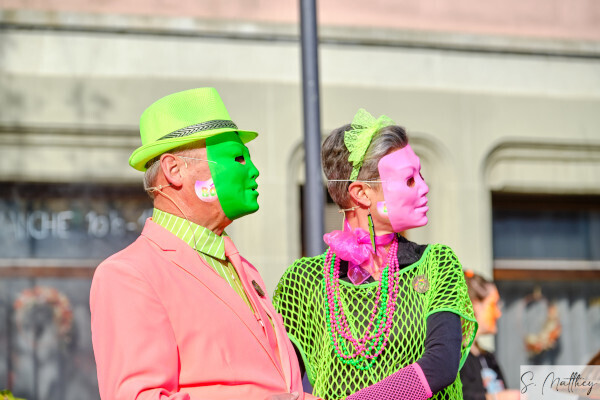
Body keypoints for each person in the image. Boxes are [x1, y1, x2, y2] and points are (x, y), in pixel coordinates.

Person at [90, 88, 318, 400]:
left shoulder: (242, 267)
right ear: (174, 170)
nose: (253, 171)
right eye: (238, 157)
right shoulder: (129, 274)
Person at [273, 109, 478, 400]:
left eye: (420, 175)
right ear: (361, 193)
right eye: (409, 180)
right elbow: (277, 377)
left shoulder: (437, 263)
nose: (424, 187)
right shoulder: (304, 280)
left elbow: (440, 365)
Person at [460, 270, 519, 400]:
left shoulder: (488, 358)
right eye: (493, 304)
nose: (498, 313)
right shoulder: (455, 358)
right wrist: (495, 398)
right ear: (474, 305)